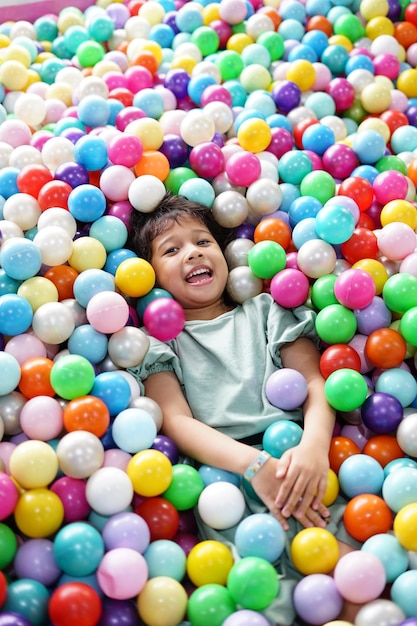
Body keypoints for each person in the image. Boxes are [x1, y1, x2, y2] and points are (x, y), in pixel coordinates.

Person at [128, 192, 360, 625]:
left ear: (223, 255)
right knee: (267, 603)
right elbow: (175, 421)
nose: (192, 252)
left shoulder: (266, 310)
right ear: (152, 278)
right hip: (228, 487)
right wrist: (254, 466)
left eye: (203, 242)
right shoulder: (161, 345)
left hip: (304, 469)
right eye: (171, 249)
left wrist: (312, 448)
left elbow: (314, 381)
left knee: (353, 581)